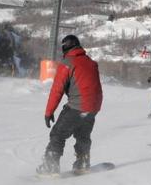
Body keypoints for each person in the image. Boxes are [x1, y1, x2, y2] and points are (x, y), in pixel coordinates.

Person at [37, 34, 103, 175]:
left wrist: (49, 112)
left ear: (65, 49)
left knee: (57, 134)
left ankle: (50, 167)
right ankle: (83, 162)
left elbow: (57, 90)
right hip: (93, 107)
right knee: (83, 135)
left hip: (78, 106)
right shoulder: (91, 62)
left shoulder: (67, 63)